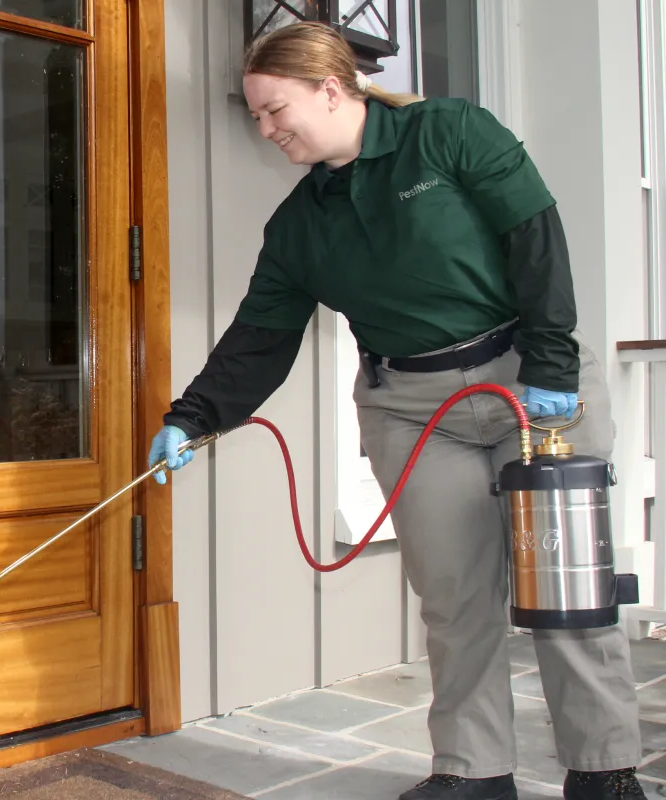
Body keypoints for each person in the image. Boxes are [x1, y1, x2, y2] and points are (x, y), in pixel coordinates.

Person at [148, 21, 645, 800]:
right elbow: (260, 338)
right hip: (413, 411)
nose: (267, 128)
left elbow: (536, 240)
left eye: (275, 109)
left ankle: (604, 768)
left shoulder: (449, 135)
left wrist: (550, 359)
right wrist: (193, 416)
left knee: (567, 593)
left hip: (529, 384)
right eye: (256, 116)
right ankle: (474, 773)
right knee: (453, 597)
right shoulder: (300, 225)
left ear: (331, 88)